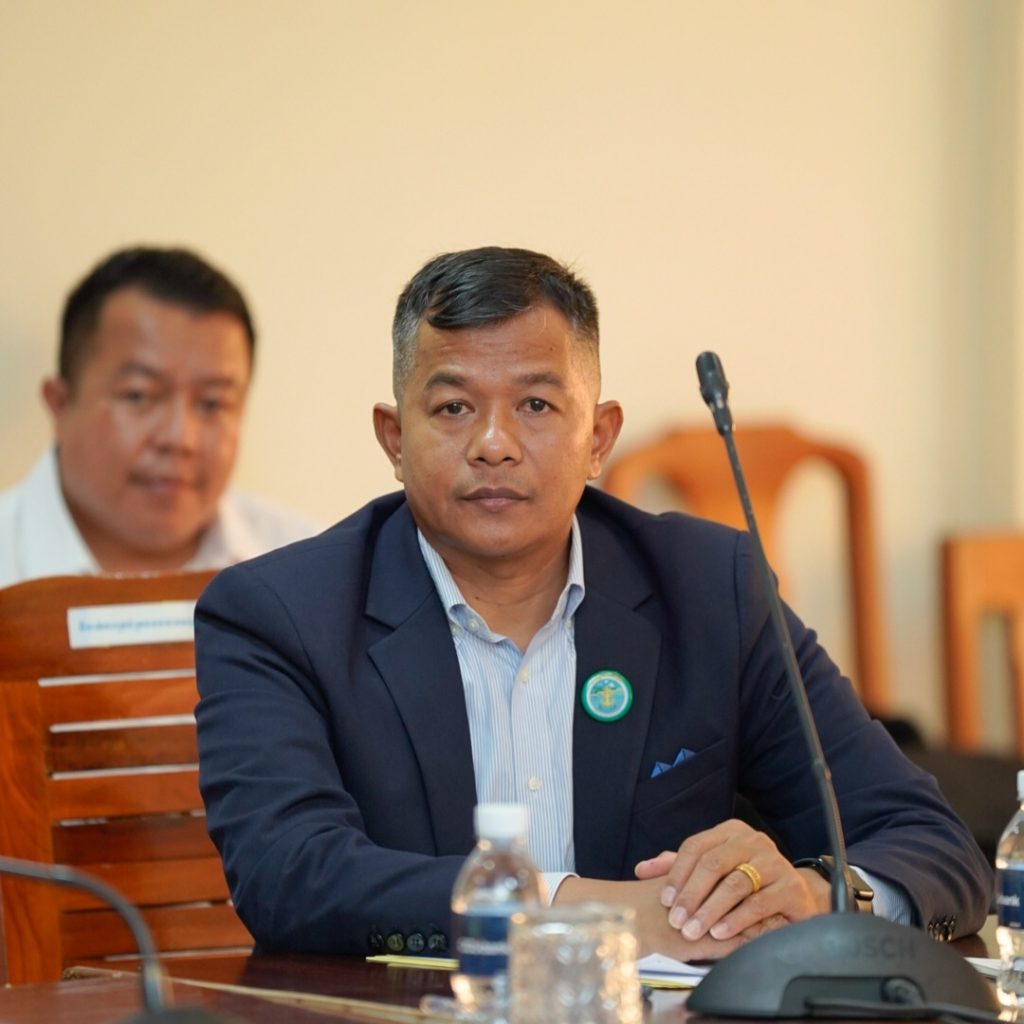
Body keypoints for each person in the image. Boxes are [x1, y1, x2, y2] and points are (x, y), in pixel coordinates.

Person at [194, 246, 990, 960]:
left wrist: (817, 897)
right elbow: (287, 876)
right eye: (453, 408)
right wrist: (597, 914)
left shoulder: (710, 589)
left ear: (599, 439)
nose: (495, 444)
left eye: (537, 406)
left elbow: (928, 842)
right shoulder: (279, 614)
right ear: (394, 438)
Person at [0, 246, 318, 588]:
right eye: (139, 396)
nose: (180, 438)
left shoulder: (309, 569)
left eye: (212, 403)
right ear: (60, 404)